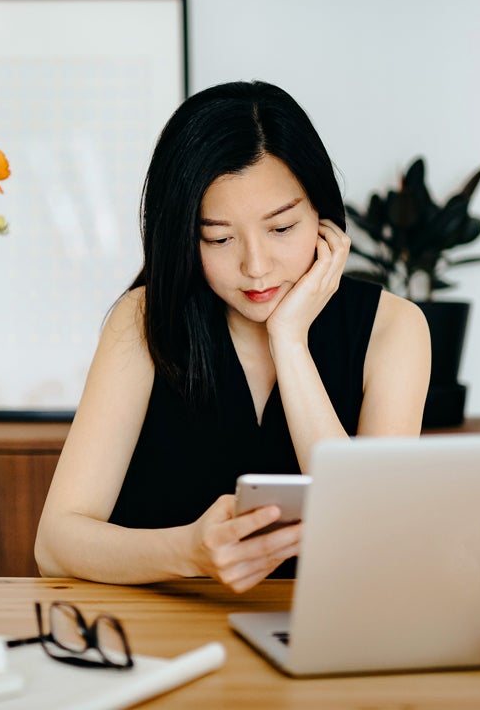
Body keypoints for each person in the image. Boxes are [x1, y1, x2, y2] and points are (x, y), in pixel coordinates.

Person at [33, 80, 431, 593]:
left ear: (322, 217)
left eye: (282, 229)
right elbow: (55, 545)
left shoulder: (393, 328)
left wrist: (290, 342)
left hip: (324, 636)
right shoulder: (143, 320)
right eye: (219, 238)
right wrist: (188, 551)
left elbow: (375, 542)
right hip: (161, 640)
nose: (256, 268)